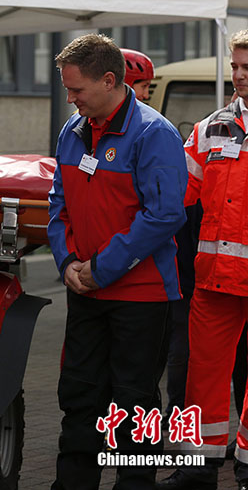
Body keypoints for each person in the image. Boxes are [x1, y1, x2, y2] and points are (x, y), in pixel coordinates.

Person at [47, 34, 187, 490]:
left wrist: (101, 268)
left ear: (110, 80)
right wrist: (67, 261)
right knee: (80, 397)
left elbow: (164, 214)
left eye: (77, 90)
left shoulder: (154, 134)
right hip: (86, 290)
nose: (71, 99)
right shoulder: (73, 130)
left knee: (134, 406)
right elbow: (58, 204)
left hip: (141, 298)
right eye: (67, 90)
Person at [158, 29, 248, 490]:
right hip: (213, 281)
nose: (239, 76)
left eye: (247, 68)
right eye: (235, 67)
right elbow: (177, 199)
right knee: (201, 379)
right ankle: (197, 470)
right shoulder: (209, 129)